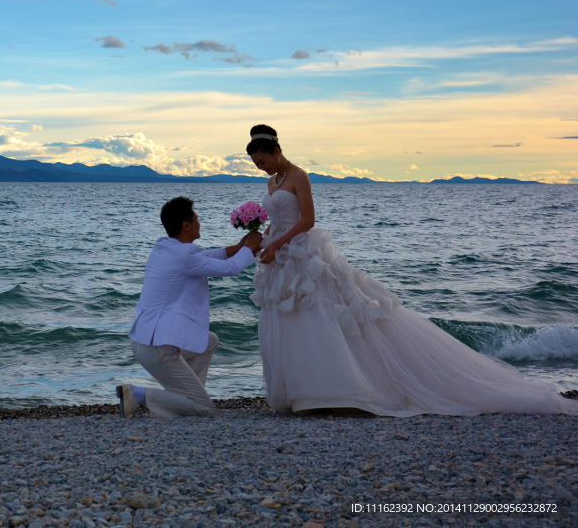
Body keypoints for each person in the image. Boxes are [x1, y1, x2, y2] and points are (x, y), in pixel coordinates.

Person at [247, 124, 578, 416]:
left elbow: (308, 220)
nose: (261, 168)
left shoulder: (299, 175)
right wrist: (265, 241)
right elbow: (278, 221)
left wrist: (280, 243)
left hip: (303, 254)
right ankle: (304, 391)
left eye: (263, 161)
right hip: (281, 256)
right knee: (292, 321)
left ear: (276, 151)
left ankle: (334, 391)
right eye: (256, 165)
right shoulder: (275, 180)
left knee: (318, 317)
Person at [117, 197, 262, 418]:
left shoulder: (163, 247)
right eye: (197, 218)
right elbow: (231, 268)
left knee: (209, 341)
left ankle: (184, 400)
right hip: (159, 348)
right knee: (205, 409)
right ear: (186, 225)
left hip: (142, 342)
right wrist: (250, 248)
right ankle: (137, 395)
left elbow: (203, 257)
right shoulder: (186, 256)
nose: (200, 222)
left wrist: (240, 247)